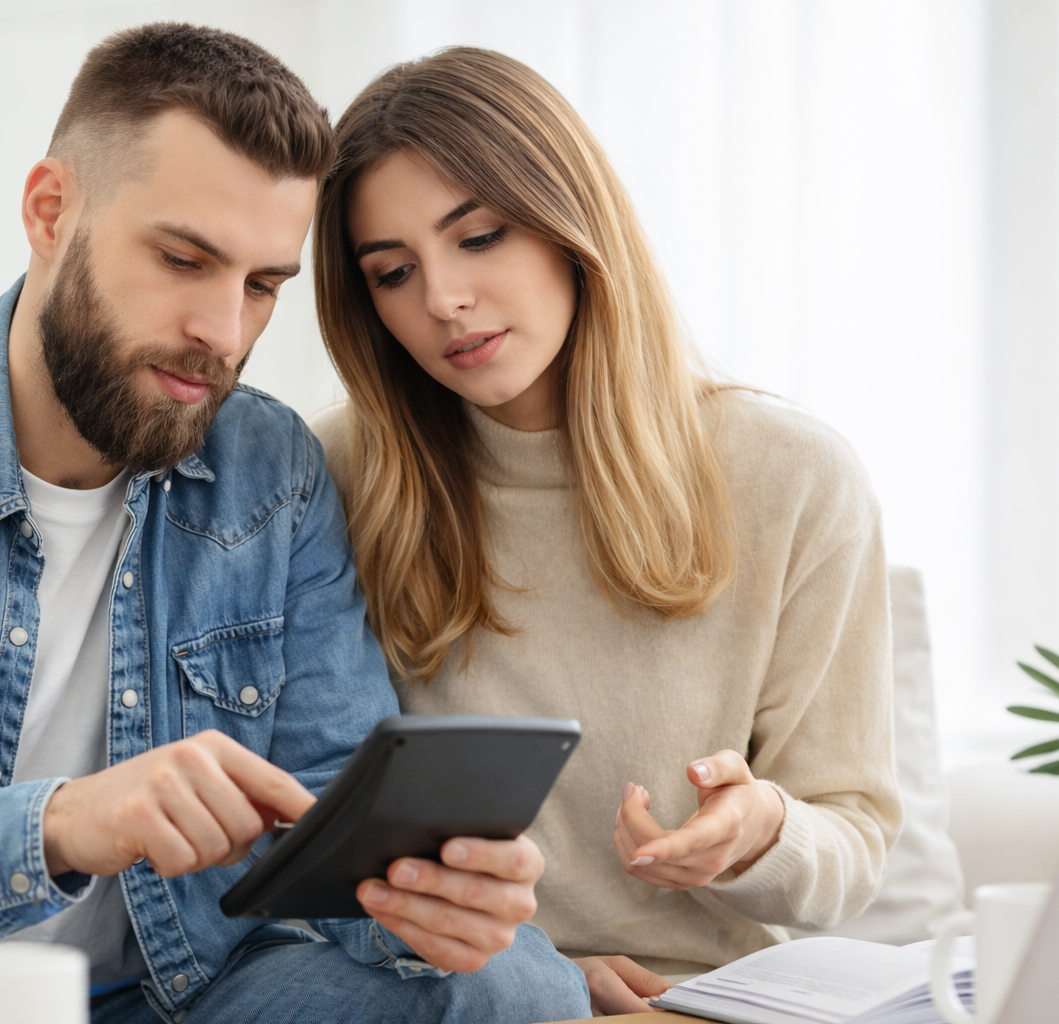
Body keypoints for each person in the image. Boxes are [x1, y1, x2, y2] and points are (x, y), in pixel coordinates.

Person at [0, 26, 591, 1024]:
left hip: (172, 1001)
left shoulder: (272, 476)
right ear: (51, 211)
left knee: (509, 981)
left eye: (262, 286)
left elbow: (323, 833)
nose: (224, 332)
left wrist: (430, 903)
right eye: (184, 258)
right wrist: (54, 825)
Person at [310, 47, 903, 1016]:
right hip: (459, 996)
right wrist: (536, 975)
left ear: (570, 225)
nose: (442, 300)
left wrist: (759, 831)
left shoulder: (792, 476)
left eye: (482, 237)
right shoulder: (339, 477)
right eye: (391, 272)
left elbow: (854, 841)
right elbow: (314, 844)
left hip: (706, 1001)